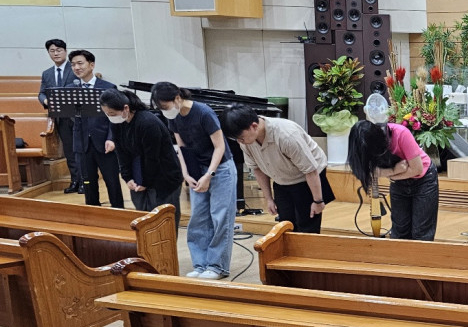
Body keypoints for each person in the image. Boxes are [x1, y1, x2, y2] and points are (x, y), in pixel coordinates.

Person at [151, 81, 236, 280]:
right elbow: (181, 147)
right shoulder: (174, 118)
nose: (164, 111)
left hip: (220, 169)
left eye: (165, 106)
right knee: (198, 218)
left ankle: (217, 266)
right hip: (196, 168)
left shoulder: (204, 113)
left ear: (177, 98)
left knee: (220, 217)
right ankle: (201, 264)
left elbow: (220, 147)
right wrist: (186, 174)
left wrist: (209, 175)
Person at [222, 105, 335, 234]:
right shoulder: (246, 141)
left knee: (307, 226)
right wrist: (269, 199)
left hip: (307, 178)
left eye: (241, 137)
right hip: (281, 179)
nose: (239, 141)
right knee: (285, 225)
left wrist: (318, 201)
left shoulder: (286, 136)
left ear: (254, 126)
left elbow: (310, 170)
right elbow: (257, 169)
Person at [99, 88, 183, 228]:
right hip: (138, 176)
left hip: (163, 178)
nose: (110, 117)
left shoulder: (147, 123)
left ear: (126, 108)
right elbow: (121, 153)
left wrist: (145, 182)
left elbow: (152, 158)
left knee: (162, 224)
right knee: (144, 223)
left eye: (112, 113)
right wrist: (127, 178)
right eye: (107, 114)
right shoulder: (117, 123)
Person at [347, 119, 438, 240]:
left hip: (424, 180)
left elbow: (417, 169)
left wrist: (389, 174)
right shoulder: (362, 146)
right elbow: (368, 172)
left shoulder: (400, 133)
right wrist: (395, 170)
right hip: (399, 181)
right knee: (399, 231)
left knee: (421, 232)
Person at [69, 50, 123, 208]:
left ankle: (119, 213)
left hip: (104, 141)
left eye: (80, 63)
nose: (76, 67)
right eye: (73, 64)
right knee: (88, 183)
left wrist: (112, 138)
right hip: (82, 143)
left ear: (91, 65)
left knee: (112, 182)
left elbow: (116, 117)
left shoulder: (108, 87)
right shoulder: (70, 89)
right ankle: (93, 214)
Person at [38, 38, 80, 193]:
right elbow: (41, 93)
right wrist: (46, 100)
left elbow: (80, 87)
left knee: (81, 150)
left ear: (65, 51)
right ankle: (75, 181)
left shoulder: (75, 68)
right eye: (52, 51)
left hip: (77, 115)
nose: (56, 53)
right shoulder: (47, 73)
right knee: (69, 151)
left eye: (59, 50)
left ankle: (85, 181)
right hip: (60, 117)